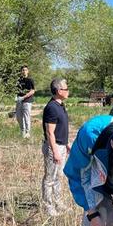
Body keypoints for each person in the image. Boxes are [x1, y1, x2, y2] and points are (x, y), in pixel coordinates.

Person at [41, 78, 71, 216]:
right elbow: (50, 132)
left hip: (61, 146)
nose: (68, 91)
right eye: (66, 88)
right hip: (54, 147)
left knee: (59, 176)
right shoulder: (51, 108)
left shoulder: (61, 106)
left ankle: (58, 202)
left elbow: (61, 129)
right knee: (50, 178)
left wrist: (67, 144)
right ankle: (48, 206)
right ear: (59, 91)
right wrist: (55, 152)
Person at [16, 65, 36, 139]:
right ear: (21, 72)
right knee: (18, 117)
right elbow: (17, 90)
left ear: (28, 71)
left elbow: (32, 91)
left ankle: (27, 132)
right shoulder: (19, 80)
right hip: (19, 100)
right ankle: (22, 131)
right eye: (23, 70)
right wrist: (17, 97)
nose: (24, 71)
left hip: (27, 101)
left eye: (25, 70)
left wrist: (23, 97)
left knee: (26, 117)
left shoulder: (30, 80)